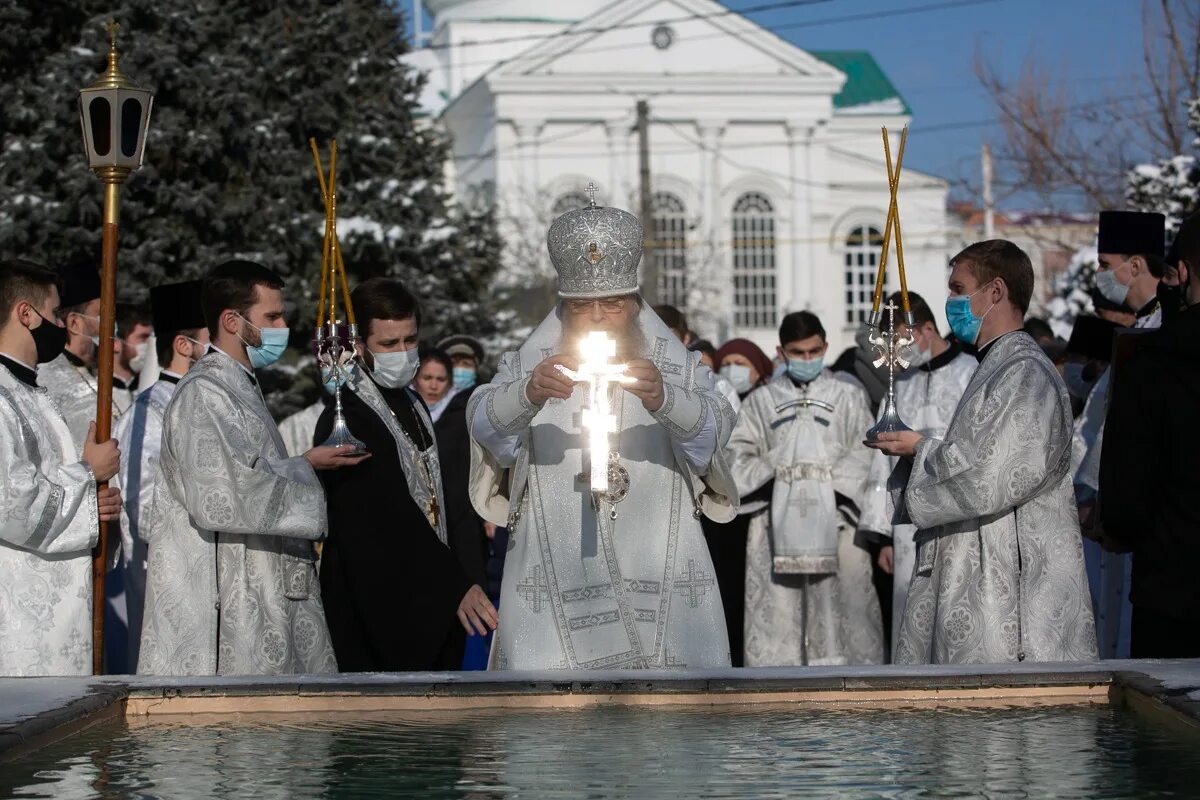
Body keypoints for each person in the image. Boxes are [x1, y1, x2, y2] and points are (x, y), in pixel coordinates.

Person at [468, 201, 738, 670]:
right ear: (564, 308)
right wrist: (529, 394)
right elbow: (485, 426)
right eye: (581, 306)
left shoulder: (675, 370)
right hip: (555, 579)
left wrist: (664, 400)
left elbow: (714, 436)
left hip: (653, 564)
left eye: (611, 304)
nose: (596, 316)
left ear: (634, 304)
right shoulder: (531, 367)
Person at [868, 239, 1097, 664]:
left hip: (1008, 584)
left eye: (958, 288)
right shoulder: (994, 367)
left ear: (994, 292)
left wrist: (920, 448)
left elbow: (993, 477)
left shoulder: (1025, 373)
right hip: (976, 568)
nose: (951, 300)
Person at [138, 260, 367, 676]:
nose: (282, 326)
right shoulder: (203, 393)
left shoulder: (238, 385)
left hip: (265, 587)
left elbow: (250, 470)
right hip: (234, 601)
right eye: (272, 316)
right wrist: (305, 474)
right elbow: (220, 498)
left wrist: (303, 464)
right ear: (231, 320)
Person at [317, 278, 497, 671]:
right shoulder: (349, 416)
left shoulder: (412, 400)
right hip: (379, 609)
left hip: (431, 595)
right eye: (388, 344)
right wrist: (453, 584)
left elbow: (443, 496)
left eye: (409, 340)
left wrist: (466, 576)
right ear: (360, 344)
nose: (402, 353)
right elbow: (384, 515)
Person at [729, 311, 883, 666]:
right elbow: (737, 456)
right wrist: (783, 475)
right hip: (774, 526)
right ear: (782, 353)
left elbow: (867, 454)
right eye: (798, 353)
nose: (807, 360)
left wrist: (824, 488)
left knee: (843, 613)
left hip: (839, 524)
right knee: (779, 616)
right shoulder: (759, 403)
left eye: (814, 351)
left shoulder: (849, 397)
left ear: (826, 347)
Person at [0, 259, 122, 676]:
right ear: (26, 314)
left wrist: (96, 502)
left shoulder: (29, 391)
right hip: (19, 610)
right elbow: (11, 503)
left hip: (58, 601)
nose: (60, 324)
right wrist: (88, 474)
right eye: (54, 314)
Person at [1099, 211, 1200, 658]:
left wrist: (1113, 523)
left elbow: (1126, 498)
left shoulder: (1154, 362)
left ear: (1181, 271)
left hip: (1172, 590)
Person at [858, 291, 976, 658]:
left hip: (960, 517)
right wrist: (884, 538)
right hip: (908, 526)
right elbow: (882, 464)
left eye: (902, 343)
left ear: (926, 329)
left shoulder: (970, 374)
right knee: (910, 614)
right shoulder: (900, 388)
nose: (898, 354)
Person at [112, 280, 209, 673]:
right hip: (171, 580)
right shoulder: (149, 413)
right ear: (184, 345)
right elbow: (145, 505)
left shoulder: (204, 398)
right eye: (211, 340)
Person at [701, 336, 774, 665]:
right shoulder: (717, 397)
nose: (732, 370)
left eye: (741, 364)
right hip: (718, 513)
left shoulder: (769, 403)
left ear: (759, 369)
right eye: (726, 363)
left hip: (757, 511)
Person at [434, 334, 492, 668]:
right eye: (453, 364)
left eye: (466, 364)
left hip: (469, 523)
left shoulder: (472, 409)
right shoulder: (431, 412)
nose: (460, 371)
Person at [39, 258, 114, 451]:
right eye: (102, 315)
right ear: (74, 323)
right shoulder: (47, 380)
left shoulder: (93, 371)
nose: (110, 325)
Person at [113, 302, 152, 411]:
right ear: (116, 343)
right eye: (143, 338)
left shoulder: (152, 389)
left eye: (151, 338)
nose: (149, 345)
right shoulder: (96, 392)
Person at [415, 345, 455, 422]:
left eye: (441, 379)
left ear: (449, 383)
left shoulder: (461, 413)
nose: (434, 386)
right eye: (427, 378)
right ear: (414, 380)